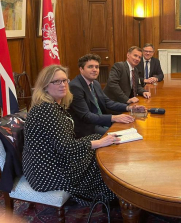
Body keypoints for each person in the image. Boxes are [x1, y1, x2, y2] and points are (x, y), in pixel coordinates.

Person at [22, 65, 121, 206]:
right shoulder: (46, 109)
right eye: (56, 81)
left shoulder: (52, 105)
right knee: (101, 159)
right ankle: (111, 197)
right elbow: (67, 148)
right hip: (47, 172)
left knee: (97, 140)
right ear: (45, 86)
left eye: (64, 80)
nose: (63, 85)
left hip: (51, 160)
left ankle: (110, 194)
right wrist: (99, 143)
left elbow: (64, 143)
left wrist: (98, 141)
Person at [69, 54, 144, 138]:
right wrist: (113, 118)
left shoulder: (95, 83)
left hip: (100, 122)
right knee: (120, 137)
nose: (95, 70)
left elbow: (108, 102)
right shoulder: (75, 87)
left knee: (133, 127)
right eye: (90, 67)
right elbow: (86, 116)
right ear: (81, 69)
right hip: (88, 128)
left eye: (97, 67)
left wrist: (129, 108)